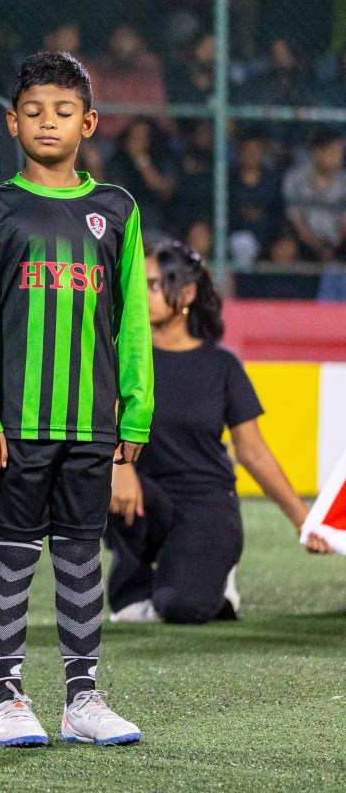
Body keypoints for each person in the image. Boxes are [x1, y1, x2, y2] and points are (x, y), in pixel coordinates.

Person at [0, 51, 152, 748]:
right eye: (35, 111)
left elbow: (131, 319)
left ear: (90, 122)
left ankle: (82, 696)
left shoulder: (116, 209)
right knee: (12, 554)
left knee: (80, 554)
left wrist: (133, 412)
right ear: (12, 121)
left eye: (64, 111)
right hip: (16, 424)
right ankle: (5, 695)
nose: (49, 122)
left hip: (89, 423)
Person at [107, 241, 331, 625]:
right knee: (88, 474)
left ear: (188, 293)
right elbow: (99, 426)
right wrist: (119, 465)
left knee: (181, 607)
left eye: (155, 284)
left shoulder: (221, 366)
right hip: (145, 500)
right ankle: (135, 582)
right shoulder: (119, 357)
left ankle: (213, 581)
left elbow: (254, 454)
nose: (141, 293)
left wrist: (303, 521)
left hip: (206, 505)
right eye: (138, 283)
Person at [282, 130, 346, 263]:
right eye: (333, 151)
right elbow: (296, 220)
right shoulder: (295, 179)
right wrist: (319, 247)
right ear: (318, 152)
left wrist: (334, 249)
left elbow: (343, 225)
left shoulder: (344, 181)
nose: (339, 158)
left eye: (341, 152)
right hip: (304, 244)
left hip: (338, 247)